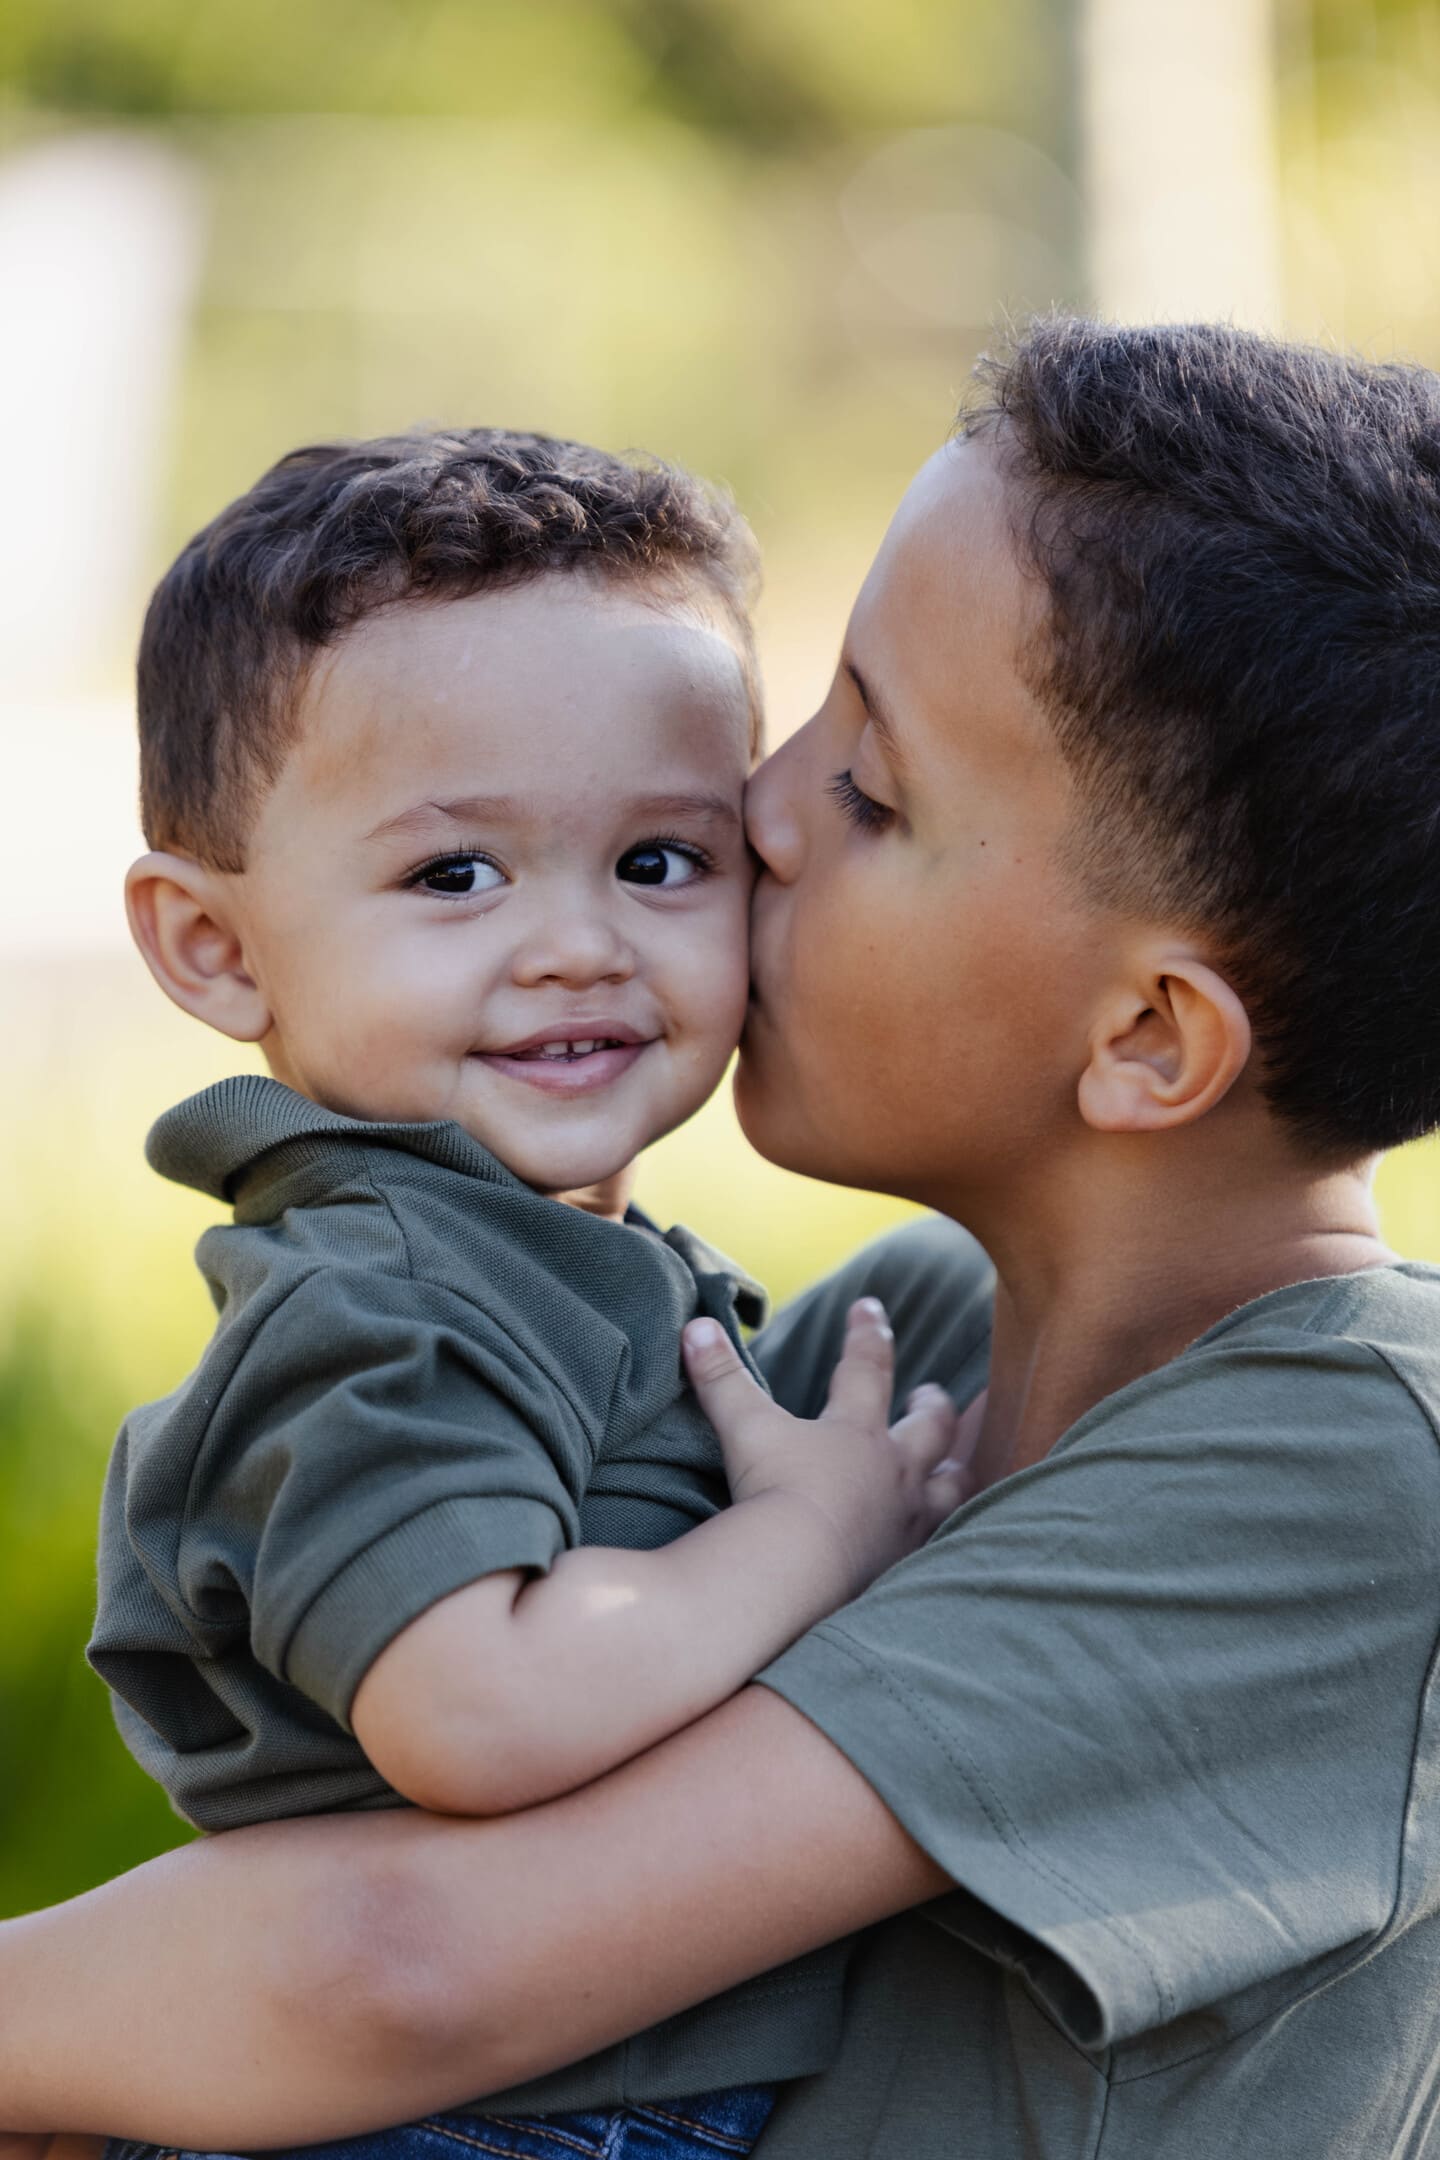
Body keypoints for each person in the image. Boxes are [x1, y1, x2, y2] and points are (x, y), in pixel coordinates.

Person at [5, 314, 1440, 2158]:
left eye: (870, 788)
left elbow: (399, 1968)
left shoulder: (1355, 1470)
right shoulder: (903, 1349)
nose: (753, 810)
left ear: (1148, 1037)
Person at [81, 427, 969, 2160]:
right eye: (453, 875)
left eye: (658, 861)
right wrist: (810, 1538)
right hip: (466, 2118)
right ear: (216, 947)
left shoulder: (529, 1255)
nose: (576, 943)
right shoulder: (383, 1298)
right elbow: (475, 1707)